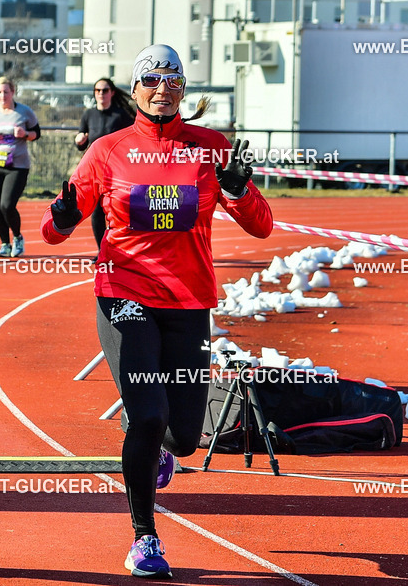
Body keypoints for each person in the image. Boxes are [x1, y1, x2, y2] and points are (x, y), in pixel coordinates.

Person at [40, 44, 272, 579]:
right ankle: (145, 538)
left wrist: (238, 188)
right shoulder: (108, 150)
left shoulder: (211, 148)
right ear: (135, 88)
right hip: (123, 292)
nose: (162, 89)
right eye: (152, 80)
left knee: (184, 437)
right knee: (148, 415)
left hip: (189, 300)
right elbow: (54, 233)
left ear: (184, 90)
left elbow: (261, 227)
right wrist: (63, 212)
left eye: (173, 80)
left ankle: (156, 437)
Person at [0, 76, 41, 257]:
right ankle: (5, 244)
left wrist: (25, 133)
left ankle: (18, 238)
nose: (3, 95)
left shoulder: (24, 112)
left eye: (6, 92)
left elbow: (37, 133)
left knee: (7, 205)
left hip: (18, 166)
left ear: (13, 92)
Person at [74, 77, 135, 248]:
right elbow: (83, 142)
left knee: (119, 210)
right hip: (96, 171)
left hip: (118, 171)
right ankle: (102, 250)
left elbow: (133, 138)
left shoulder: (121, 115)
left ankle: (124, 248)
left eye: (105, 90)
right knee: (97, 212)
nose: (101, 94)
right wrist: (80, 141)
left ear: (112, 93)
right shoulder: (89, 114)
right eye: (98, 90)